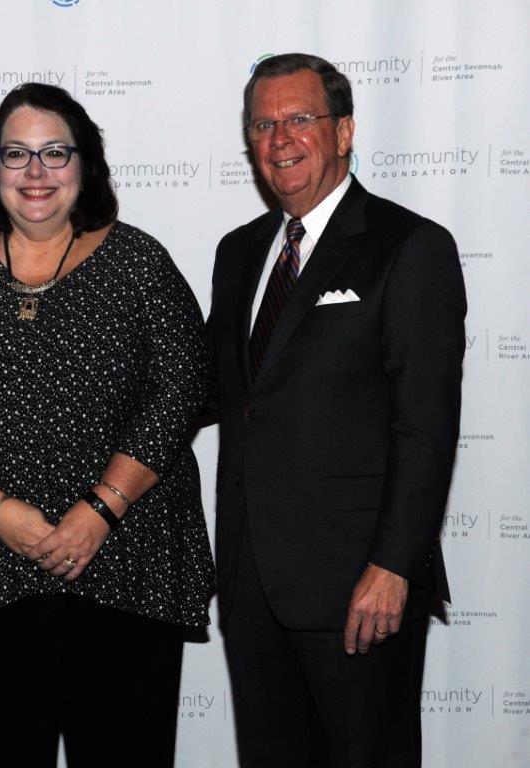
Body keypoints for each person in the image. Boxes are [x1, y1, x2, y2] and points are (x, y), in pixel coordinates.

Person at [0, 82, 213, 768]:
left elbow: (181, 386)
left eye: (54, 153)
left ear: (85, 165)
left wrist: (98, 511)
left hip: (127, 563)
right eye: (16, 154)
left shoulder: (138, 262)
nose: (35, 173)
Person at [205, 53, 466, 766]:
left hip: (359, 588)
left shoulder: (407, 247)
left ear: (343, 131)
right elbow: (214, 390)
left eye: (299, 119)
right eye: (262, 123)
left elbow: (426, 424)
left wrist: (393, 565)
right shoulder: (238, 253)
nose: (279, 138)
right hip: (252, 586)